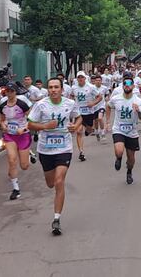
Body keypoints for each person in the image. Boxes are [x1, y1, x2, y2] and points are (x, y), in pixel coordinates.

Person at [27, 78, 82, 236]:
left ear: (61, 89)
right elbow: (30, 124)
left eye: (56, 87)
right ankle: (56, 212)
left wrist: (76, 126)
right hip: (45, 149)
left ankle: (56, 218)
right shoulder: (41, 104)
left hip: (64, 147)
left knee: (59, 181)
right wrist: (44, 126)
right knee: (51, 183)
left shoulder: (69, 104)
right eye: (50, 87)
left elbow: (78, 117)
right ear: (48, 89)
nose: (53, 90)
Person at [108, 75, 141, 184]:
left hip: (132, 132)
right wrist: (107, 122)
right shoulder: (116, 98)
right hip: (118, 129)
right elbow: (108, 105)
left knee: (131, 159)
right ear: (122, 85)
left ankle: (129, 172)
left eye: (129, 84)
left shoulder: (137, 100)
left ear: (133, 86)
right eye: (125, 84)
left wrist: (138, 110)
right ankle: (118, 158)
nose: (127, 86)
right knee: (119, 151)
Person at [0, 82, 32, 200]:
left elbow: (32, 118)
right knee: (12, 160)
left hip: (23, 135)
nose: (9, 93)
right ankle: (16, 189)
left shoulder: (22, 103)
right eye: (7, 91)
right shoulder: (3, 103)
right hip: (10, 135)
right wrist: (3, 125)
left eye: (12, 91)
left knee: (24, 166)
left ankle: (29, 154)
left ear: (15, 92)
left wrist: (24, 128)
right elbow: (2, 119)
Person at [71, 71, 101, 162]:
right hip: (78, 112)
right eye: (78, 77)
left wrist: (93, 103)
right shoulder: (74, 87)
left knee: (89, 129)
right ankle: (81, 152)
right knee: (79, 131)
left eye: (82, 77)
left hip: (89, 112)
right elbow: (71, 96)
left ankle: (90, 130)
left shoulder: (91, 87)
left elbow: (100, 97)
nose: (80, 79)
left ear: (85, 78)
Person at [92, 75, 110, 141]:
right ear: (94, 81)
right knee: (96, 121)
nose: (98, 82)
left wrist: (107, 98)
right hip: (94, 107)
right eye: (97, 80)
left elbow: (107, 94)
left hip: (101, 105)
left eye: (99, 80)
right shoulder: (92, 88)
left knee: (100, 118)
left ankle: (102, 132)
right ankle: (97, 132)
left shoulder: (104, 88)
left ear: (101, 81)